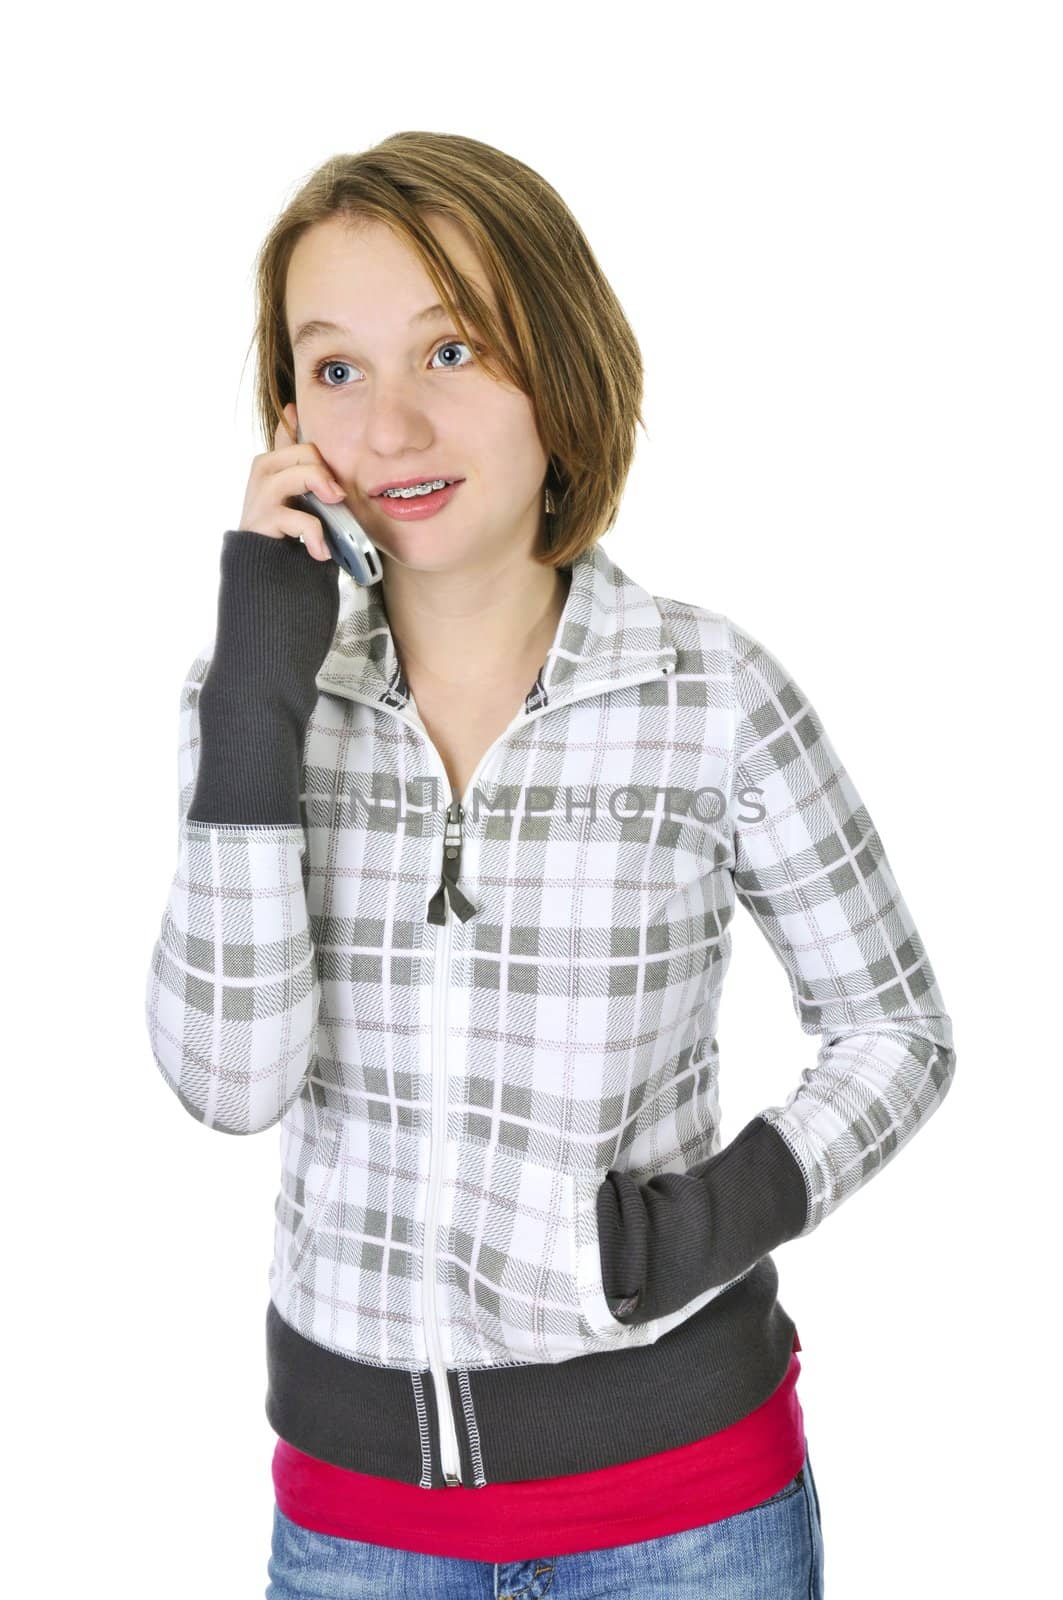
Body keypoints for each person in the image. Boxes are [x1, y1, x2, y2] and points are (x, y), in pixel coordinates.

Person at [144, 131, 956, 1599]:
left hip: (689, 1525)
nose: (389, 426)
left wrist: (703, 1224)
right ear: (287, 418)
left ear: (556, 373)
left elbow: (894, 1030)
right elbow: (228, 1083)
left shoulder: (709, 694)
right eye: (336, 370)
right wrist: (256, 699)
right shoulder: (256, 701)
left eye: (449, 350)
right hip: (358, 1539)